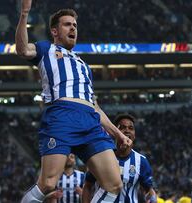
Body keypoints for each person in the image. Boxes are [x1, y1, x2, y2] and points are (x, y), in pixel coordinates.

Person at [15, 1, 132, 202]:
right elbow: (23, 50)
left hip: (90, 120)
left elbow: (94, 105)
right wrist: (24, 14)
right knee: (48, 184)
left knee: (114, 184)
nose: (73, 28)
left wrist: (118, 133)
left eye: (75, 25)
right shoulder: (46, 50)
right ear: (54, 31)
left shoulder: (84, 65)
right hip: (62, 115)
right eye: (67, 24)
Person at [82, 114, 157, 203]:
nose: (127, 130)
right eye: (122, 127)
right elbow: (87, 186)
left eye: (131, 128)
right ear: (114, 132)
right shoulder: (101, 157)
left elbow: (149, 190)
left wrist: (152, 199)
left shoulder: (141, 161)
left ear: (134, 135)